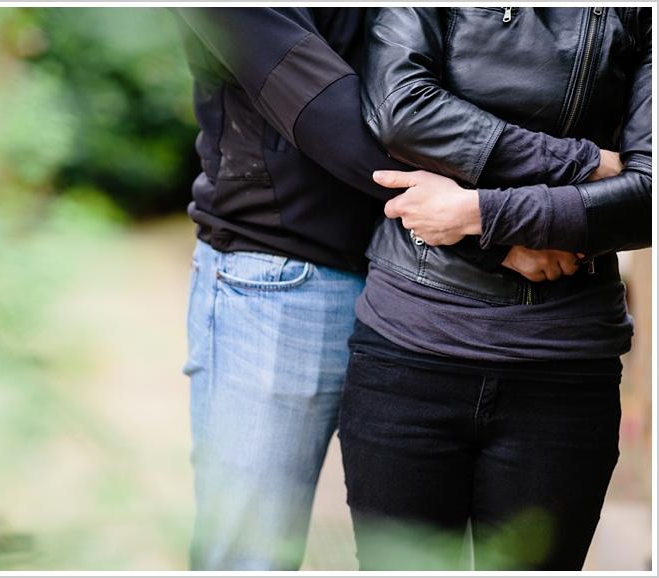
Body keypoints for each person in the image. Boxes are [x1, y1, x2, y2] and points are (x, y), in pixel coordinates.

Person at [173, 7, 619, 570]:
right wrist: (499, 230)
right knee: (248, 554)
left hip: (421, 286)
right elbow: (328, 111)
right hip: (288, 279)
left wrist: (493, 216)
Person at [340, 7, 651, 570]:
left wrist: (480, 213)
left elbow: (650, 196)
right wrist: (581, 163)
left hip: (564, 373)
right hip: (407, 357)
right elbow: (399, 111)